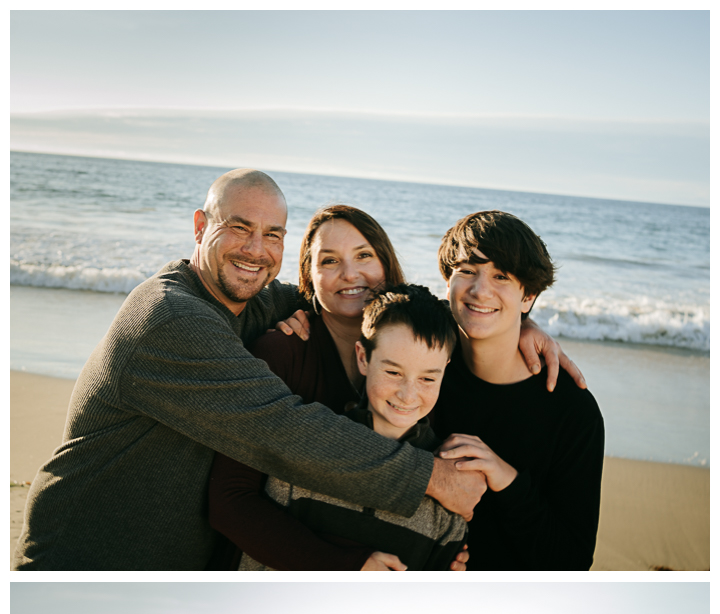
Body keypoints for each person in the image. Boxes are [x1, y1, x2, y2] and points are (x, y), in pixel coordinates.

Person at [11, 171, 485, 570]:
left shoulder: (256, 302)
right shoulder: (169, 317)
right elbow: (282, 429)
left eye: (273, 234)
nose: (256, 250)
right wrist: (433, 479)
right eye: (238, 227)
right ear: (200, 226)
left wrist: (513, 327)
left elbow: (335, 295)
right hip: (84, 556)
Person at [208, 204, 588, 571]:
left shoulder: (430, 359)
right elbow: (236, 499)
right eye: (328, 260)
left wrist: (523, 325)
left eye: (364, 256)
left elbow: (474, 309)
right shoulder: (288, 347)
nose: (349, 274)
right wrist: (348, 567)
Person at [222, 285, 469, 571]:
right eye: (393, 372)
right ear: (363, 358)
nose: (408, 394)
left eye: (427, 378)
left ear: (445, 368)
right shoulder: (308, 452)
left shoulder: (452, 489)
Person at [433, 210, 605, 569]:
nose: (480, 290)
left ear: (528, 298)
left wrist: (506, 479)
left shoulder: (573, 413)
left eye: (501, 276)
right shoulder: (424, 370)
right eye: (467, 271)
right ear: (447, 281)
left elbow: (571, 562)